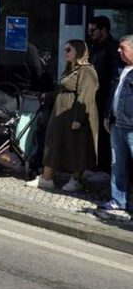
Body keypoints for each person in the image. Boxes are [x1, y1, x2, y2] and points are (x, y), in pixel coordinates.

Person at [27, 40, 99, 191]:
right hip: (60, 114)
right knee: (53, 143)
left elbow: (86, 95)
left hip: (74, 114)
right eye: (65, 49)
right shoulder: (70, 69)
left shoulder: (87, 70)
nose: (65, 53)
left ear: (79, 51)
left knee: (77, 145)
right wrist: (49, 96)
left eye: (69, 50)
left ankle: (76, 179)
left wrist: (78, 118)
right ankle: (46, 178)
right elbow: (62, 90)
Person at [98, 35, 133, 218]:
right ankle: (119, 200)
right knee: (117, 163)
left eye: (123, 48)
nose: (118, 51)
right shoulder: (121, 69)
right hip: (117, 123)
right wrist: (106, 115)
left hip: (131, 125)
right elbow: (112, 94)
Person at [87, 16, 119, 176]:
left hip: (104, 97)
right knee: (94, 131)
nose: (90, 33)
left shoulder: (112, 49)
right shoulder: (95, 47)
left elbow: (114, 76)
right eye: (89, 30)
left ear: (103, 30)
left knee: (103, 133)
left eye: (93, 30)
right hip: (94, 96)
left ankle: (104, 168)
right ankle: (96, 165)